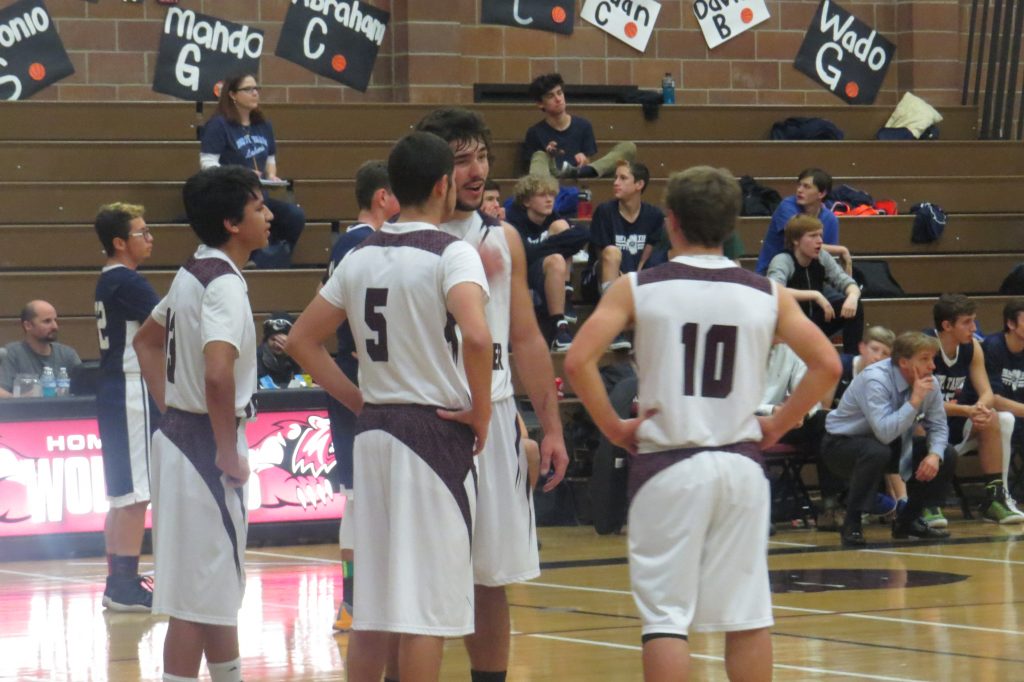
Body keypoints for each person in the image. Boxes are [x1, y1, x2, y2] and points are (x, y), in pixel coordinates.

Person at [565, 165, 840, 682]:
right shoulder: (767, 293)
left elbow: (578, 361)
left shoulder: (637, 286)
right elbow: (828, 364)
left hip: (669, 464)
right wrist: (778, 423)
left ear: (670, 222)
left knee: (666, 619)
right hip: (739, 465)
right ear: (732, 223)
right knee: (748, 615)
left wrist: (614, 428)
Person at [285, 131, 493, 682]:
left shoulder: (359, 256)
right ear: (443, 185)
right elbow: (477, 337)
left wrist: (359, 399)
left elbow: (303, 341)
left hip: (373, 433)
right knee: (425, 610)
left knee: (374, 607)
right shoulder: (453, 253)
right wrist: (482, 411)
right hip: (430, 434)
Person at [417, 107, 570, 682]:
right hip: (431, 419)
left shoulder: (503, 238)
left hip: (498, 417)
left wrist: (549, 427)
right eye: (461, 160)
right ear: (435, 168)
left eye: (481, 155)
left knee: (490, 578)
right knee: (421, 580)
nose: (476, 170)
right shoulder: (406, 239)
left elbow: (527, 335)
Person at [133, 166, 272, 682]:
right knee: (196, 600)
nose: (269, 215)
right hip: (203, 447)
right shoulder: (224, 287)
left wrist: (170, 407)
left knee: (213, 591)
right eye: (259, 208)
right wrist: (223, 447)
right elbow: (218, 375)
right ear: (232, 222)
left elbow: (144, 340)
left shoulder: (194, 270)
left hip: (179, 438)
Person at [322, 159, 400, 632]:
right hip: (359, 375)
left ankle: (358, 600)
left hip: (353, 371)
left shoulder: (346, 245)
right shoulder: (364, 244)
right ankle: (353, 600)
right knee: (358, 495)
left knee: (359, 495)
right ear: (382, 198)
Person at [823, 332, 958, 547]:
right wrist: (914, 401)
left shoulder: (928, 381)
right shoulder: (875, 379)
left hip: (890, 444)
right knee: (876, 450)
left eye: (933, 358)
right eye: (925, 359)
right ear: (903, 362)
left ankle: (908, 520)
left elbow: (939, 425)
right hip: (842, 446)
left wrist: (934, 455)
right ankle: (852, 523)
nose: (932, 366)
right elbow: (884, 432)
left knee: (946, 453)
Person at [93, 203, 162, 612]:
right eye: (142, 232)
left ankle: (118, 582)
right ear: (120, 243)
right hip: (131, 390)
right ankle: (123, 586)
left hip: (114, 389)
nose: (149, 238)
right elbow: (169, 324)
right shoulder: (128, 282)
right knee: (135, 496)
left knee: (122, 496)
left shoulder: (107, 281)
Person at [926, 294, 1023, 525]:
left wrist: (979, 408)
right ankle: (925, 502)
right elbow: (923, 405)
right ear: (947, 325)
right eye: (967, 322)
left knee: (991, 418)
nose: (974, 327)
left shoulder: (972, 348)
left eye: (974, 320)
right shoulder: (926, 347)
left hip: (955, 424)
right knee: (918, 425)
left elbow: (987, 393)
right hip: (924, 426)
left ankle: (994, 498)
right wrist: (967, 410)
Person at [199, 71, 305, 268]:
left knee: (294, 216)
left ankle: (269, 259)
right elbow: (207, 163)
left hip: (260, 194)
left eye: (256, 88)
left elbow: (270, 157)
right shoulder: (219, 125)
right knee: (252, 216)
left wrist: (271, 174)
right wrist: (239, 174)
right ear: (232, 94)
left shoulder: (263, 124)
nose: (255, 93)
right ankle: (259, 260)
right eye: (248, 89)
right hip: (234, 196)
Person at [585, 160, 665, 351]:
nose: (615, 183)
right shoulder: (605, 211)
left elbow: (648, 256)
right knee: (612, 253)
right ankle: (612, 328)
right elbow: (601, 254)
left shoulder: (654, 215)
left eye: (623, 178)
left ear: (639, 185)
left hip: (636, 280)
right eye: (615, 178)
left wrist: (636, 281)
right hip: (601, 278)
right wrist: (625, 284)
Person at [505, 174, 588, 351]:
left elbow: (583, 234)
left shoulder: (553, 218)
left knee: (560, 233)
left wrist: (544, 248)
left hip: (547, 270)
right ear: (527, 201)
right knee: (558, 254)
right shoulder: (513, 219)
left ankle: (564, 299)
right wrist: (553, 246)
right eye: (542, 195)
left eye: (551, 195)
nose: (549, 200)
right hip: (522, 276)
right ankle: (559, 320)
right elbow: (525, 256)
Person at [766, 214, 863, 354]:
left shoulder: (822, 257)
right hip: (789, 327)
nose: (819, 241)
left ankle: (852, 361)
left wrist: (853, 297)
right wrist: (814, 295)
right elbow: (774, 290)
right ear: (795, 240)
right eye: (812, 236)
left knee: (855, 306)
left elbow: (846, 281)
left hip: (812, 323)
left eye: (820, 235)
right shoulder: (783, 260)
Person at [523, 73, 637, 179]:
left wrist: (584, 161)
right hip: (551, 180)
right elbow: (536, 167)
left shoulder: (583, 125)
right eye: (550, 96)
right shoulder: (535, 133)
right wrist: (549, 157)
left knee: (628, 147)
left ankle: (579, 172)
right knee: (539, 155)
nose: (558, 99)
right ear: (540, 103)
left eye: (559, 93)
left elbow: (588, 159)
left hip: (580, 175)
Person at [754, 167, 850, 275]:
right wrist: (841, 250)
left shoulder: (830, 219)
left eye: (807, 187)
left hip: (809, 277)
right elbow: (799, 244)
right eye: (799, 185)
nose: (799, 190)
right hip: (772, 274)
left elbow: (828, 258)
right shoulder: (787, 207)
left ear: (821, 194)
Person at [978, 298, 1024, 510]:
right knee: (1004, 419)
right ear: (1011, 324)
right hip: (996, 420)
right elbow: (992, 397)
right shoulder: (993, 347)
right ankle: (1001, 496)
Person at [0, 300, 81, 398]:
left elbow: (85, 388)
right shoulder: (12, 353)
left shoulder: (68, 354)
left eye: (55, 320)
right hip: (25, 412)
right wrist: (21, 399)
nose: (55, 326)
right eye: (47, 321)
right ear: (28, 325)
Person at [256, 312, 302, 388]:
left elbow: (307, 383)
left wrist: (294, 355)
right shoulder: (255, 360)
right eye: (273, 339)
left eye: (282, 341)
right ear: (266, 340)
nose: (277, 345)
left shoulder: (298, 358)